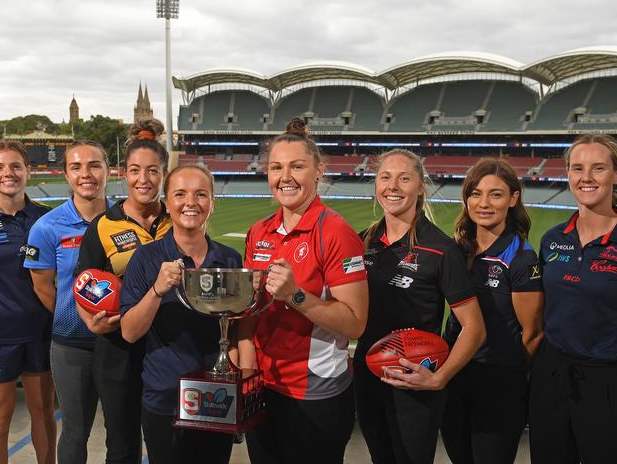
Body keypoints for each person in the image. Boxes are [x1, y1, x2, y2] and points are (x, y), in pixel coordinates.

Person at [238, 118, 369, 464]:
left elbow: (356, 323)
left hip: (314, 394)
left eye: (297, 166)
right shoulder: (259, 232)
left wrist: (295, 296)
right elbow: (252, 313)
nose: (285, 177)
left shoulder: (336, 232)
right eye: (276, 168)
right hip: (263, 387)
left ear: (318, 171)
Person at [354, 148, 486, 464]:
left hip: (415, 380)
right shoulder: (361, 242)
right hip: (367, 374)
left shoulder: (441, 250)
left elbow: (475, 327)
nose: (393, 186)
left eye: (404, 178)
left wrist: (440, 378)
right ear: (375, 184)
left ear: (420, 187)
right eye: (385, 177)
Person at [120, 164, 241, 464]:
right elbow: (130, 332)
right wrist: (157, 291)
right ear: (167, 201)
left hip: (217, 397)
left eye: (201, 194)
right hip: (166, 397)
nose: (190, 202)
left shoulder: (229, 258)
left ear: (212, 202)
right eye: (180, 194)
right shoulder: (146, 258)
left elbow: (238, 330)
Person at [74, 119, 172, 463]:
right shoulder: (104, 225)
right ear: (124, 173)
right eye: (134, 170)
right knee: (122, 446)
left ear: (164, 173)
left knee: (170, 442)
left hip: (171, 347)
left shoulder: (179, 219)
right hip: (119, 350)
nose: (143, 180)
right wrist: (91, 322)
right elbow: (82, 282)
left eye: (152, 171)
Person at [441, 158, 544, 464]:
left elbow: (534, 333)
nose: (483, 203)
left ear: (513, 199)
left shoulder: (522, 259)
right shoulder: (456, 251)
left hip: (499, 383)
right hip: (455, 376)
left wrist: (508, 375)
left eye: (495, 194)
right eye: (476, 193)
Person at [529, 133, 617, 463]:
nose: (586, 178)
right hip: (551, 375)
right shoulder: (553, 239)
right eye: (577, 168)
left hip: (608, 381)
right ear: (567, 173)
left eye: (598, 168)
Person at [25, 140, 111, 464]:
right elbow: (44, 289)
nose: (86, 174)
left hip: (122, 342)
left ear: (107, 170)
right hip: (71, 346)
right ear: (65, 174)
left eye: (94, 165)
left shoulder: (126, 221)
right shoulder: (46, 227)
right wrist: (80, 319)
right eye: (76, 167)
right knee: (75, 433)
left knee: (123, 429)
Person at [0, 140, 55, 464]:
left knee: (44, 414)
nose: (9, 173)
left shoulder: (46, 220)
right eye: (1, 167)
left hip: (41, 333)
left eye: (16, 166)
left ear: (28, 172)